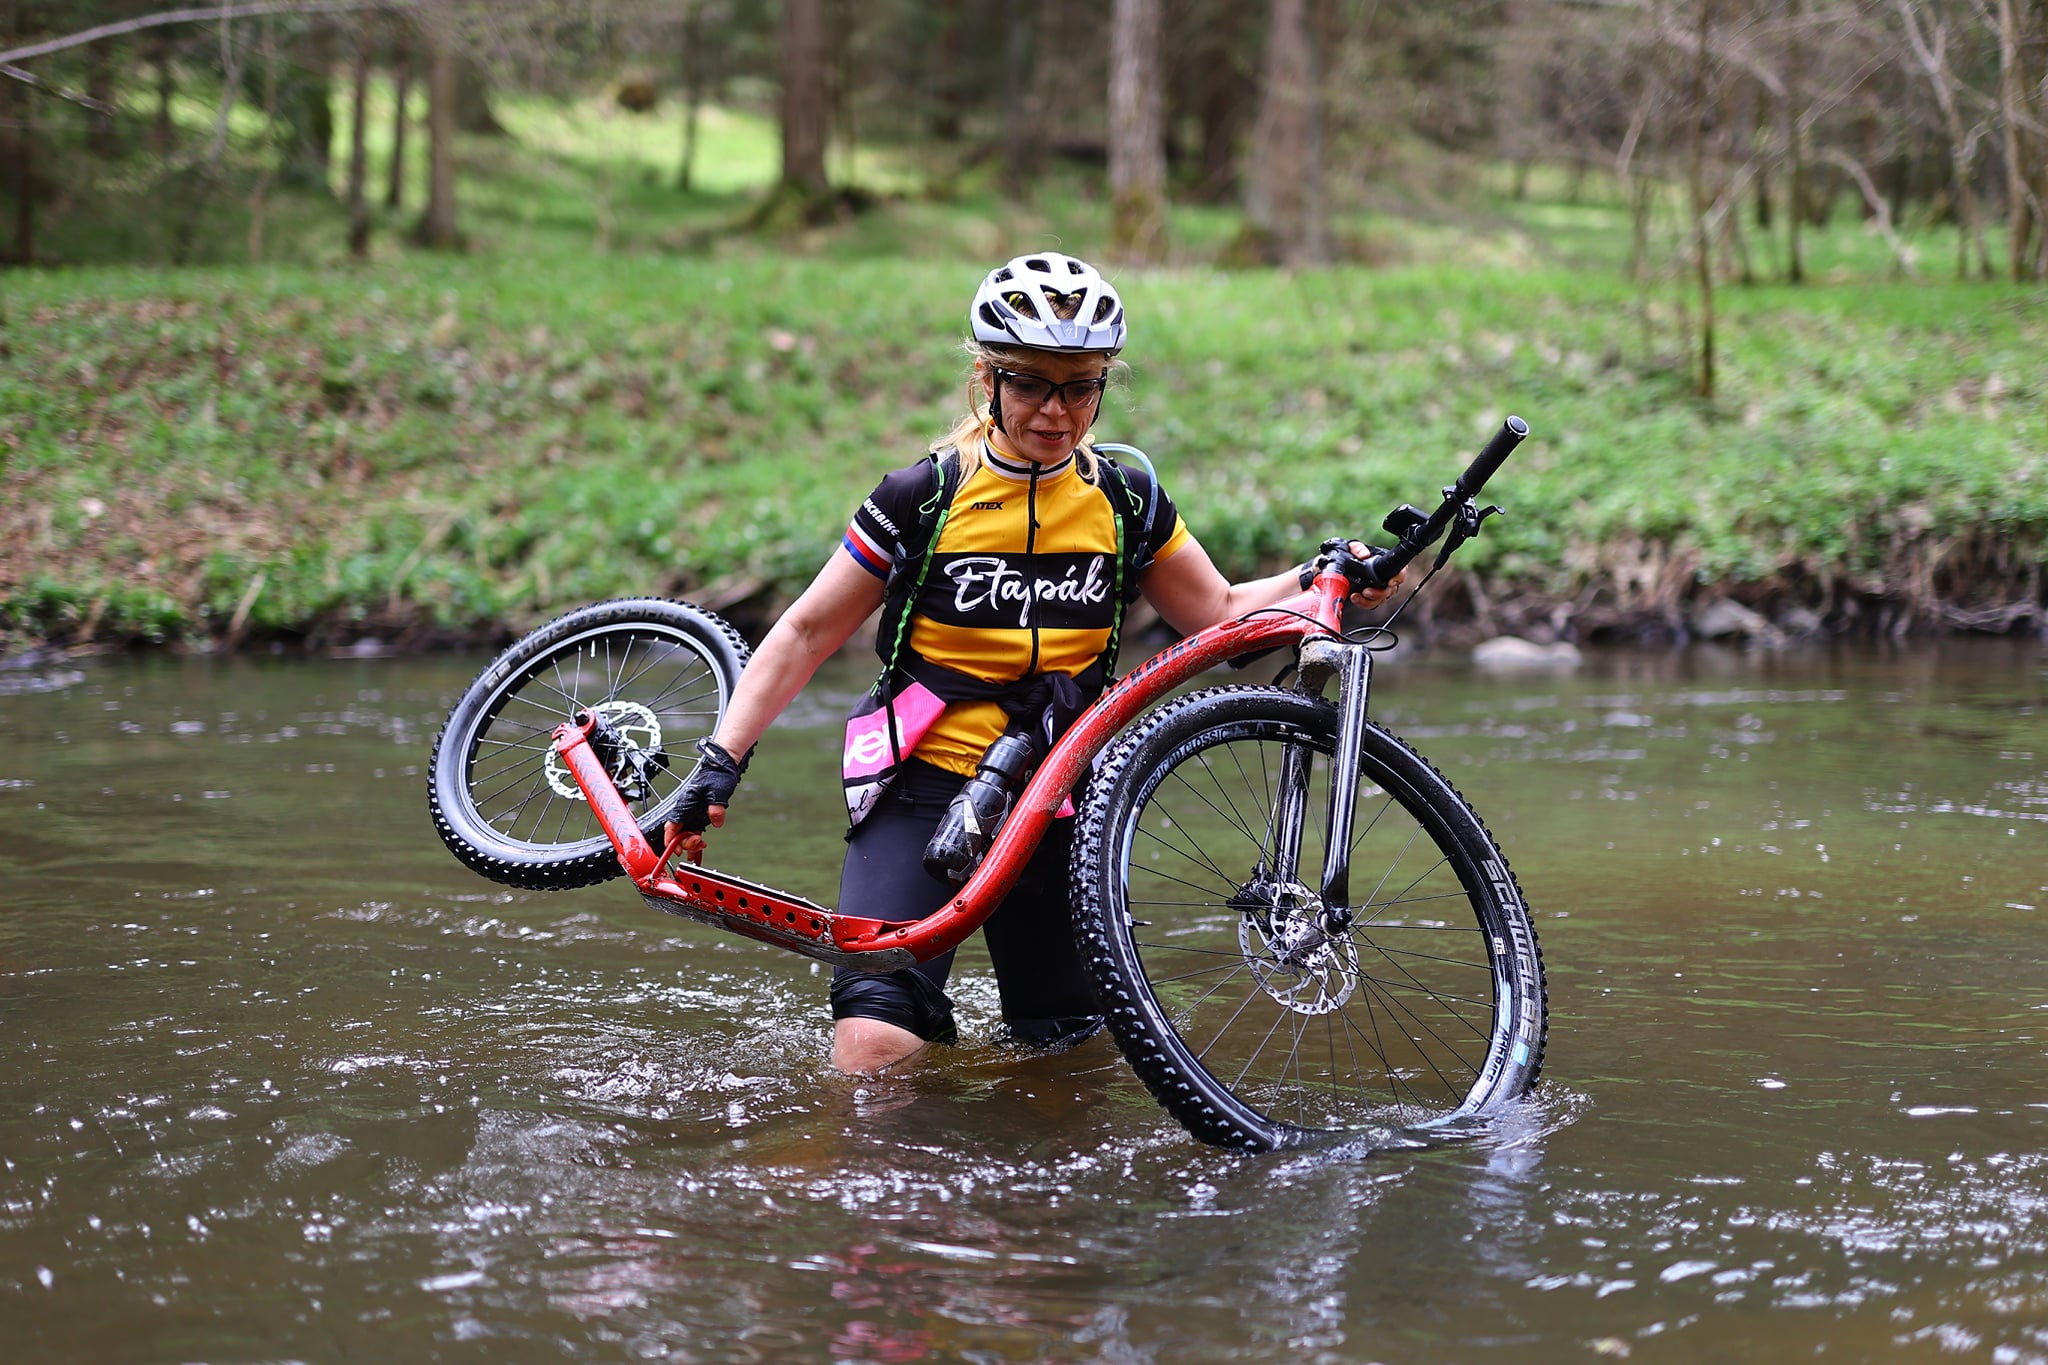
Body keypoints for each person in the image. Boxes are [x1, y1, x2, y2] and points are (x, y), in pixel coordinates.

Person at [665, 252, 1398, 1075]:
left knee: (1067, 1069)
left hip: (1063, 797)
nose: (1056, 411)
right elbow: (805, 632)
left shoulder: (1125, 501)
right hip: (923, 784)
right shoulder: (924, 496)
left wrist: (1326, 577)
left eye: (1080, 388)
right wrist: (719, 762)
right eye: (1031, 385)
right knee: (872, 1049)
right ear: (987, 378)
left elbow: (1222, 612)